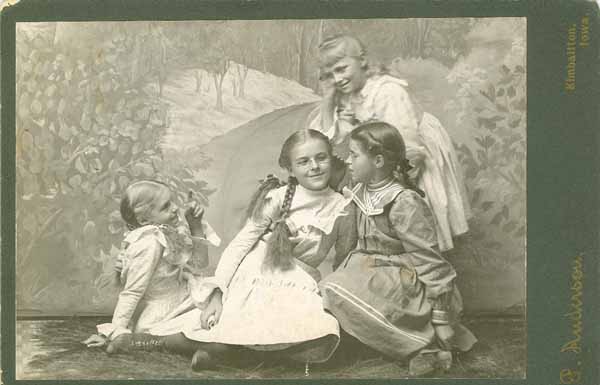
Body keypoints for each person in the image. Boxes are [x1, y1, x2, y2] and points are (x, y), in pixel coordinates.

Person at [103, 129, 356, 371]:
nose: (314, 166)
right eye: (304, 161)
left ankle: (220, 353)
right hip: (256, 275)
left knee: (321, 333)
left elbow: (344, 260)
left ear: (331, 160)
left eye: (321, 158)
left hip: (299, 281)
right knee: (237, 327)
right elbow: (239, 246)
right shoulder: (277, 197)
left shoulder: (343, 207)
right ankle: (175, 345)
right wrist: (217, 293)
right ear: (290, 169)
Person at [319, 122, 477, 376]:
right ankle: (393, 340)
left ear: (378, 160)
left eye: (354, 155)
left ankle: (423, 345)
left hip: (404, 277)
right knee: (329, 289)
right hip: (369, 267)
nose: (348, 161)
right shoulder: (361, 191)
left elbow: (429, 261)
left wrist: (440, 318)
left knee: (335, 290)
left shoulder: (404, 201)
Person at [309, 34, 471, 252]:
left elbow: (408, 149)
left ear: (362, 60)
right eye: (330, 75)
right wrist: (328, 100)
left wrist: (391, 188)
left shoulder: (387, 92)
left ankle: (422, 255)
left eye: (341, 69)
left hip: (410, 149)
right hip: (377, 155)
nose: (337, 80)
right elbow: (326, 140)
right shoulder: (347, 94)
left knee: (414, 212)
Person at [82, 180, 220, 349]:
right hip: (163, 310)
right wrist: (112, 332)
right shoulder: (149, 243)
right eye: (166, 206)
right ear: (144, 220)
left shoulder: (166, 232)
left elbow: (199, 264)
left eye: (172, 201)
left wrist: (195, 225)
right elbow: (132, 291)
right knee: (204, 325)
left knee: (223, 305)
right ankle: (205, 348)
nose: (175, 208)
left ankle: (210, 350)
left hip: (184, 295)